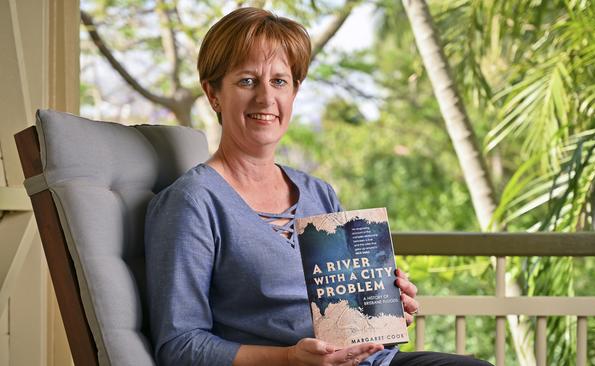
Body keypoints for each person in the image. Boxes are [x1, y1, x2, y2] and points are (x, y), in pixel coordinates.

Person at [144, 7, 492, 366]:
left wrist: (383, 309)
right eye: (247, 81)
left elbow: (353, 321)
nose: (266, 98)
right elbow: (180, 345)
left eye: (279, 81)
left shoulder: (318, 193)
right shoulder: (191, 203)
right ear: (213, 94)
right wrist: (288, 359)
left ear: (294, 91)